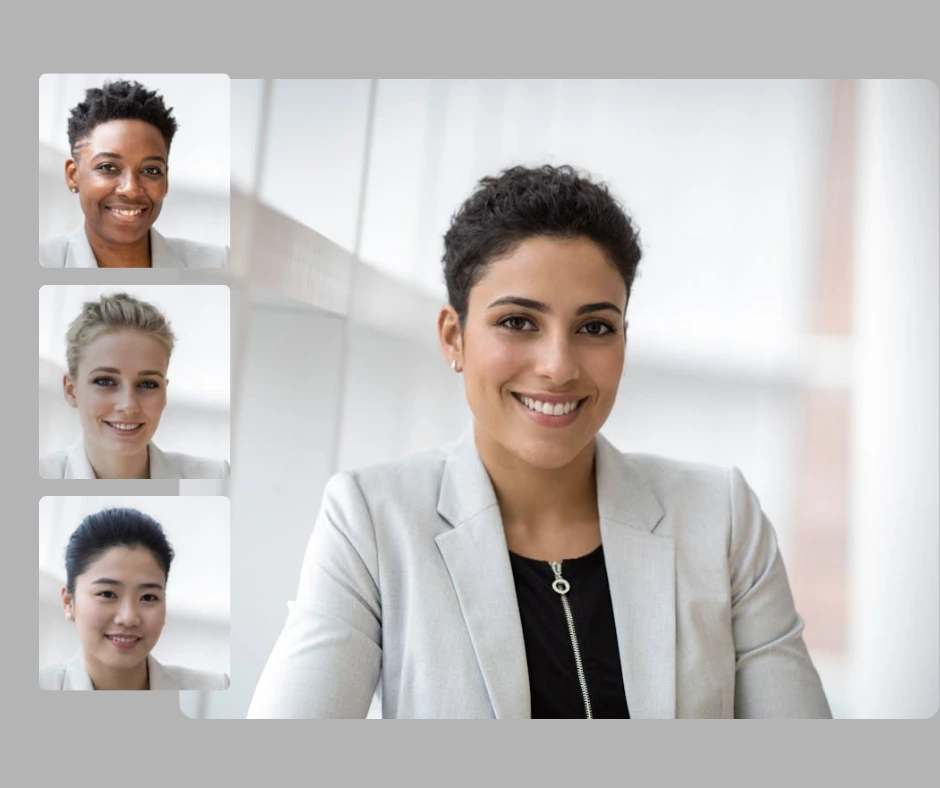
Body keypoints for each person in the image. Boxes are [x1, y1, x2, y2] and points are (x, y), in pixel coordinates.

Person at [247, 165, 832, 719]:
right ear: (454, 336)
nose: (558, 367)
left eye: (595, 327)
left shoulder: (720, 517)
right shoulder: (373, 522)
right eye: (518, 322)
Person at [39, 80, 228, 269]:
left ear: (166, 180)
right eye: (108, 167)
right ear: (73, 175)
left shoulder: (219, 263)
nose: (131, 189)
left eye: (151, 170)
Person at [39, 292, 229, 479]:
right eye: (105, 381)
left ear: (165, 391)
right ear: (71, 390)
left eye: (147, 384)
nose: (128, 405)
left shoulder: (217, 476)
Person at [40, 507, 229, 691]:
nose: (129, 618)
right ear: (68, 602)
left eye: (148, 597)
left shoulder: (214, 688)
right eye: (107, 594)